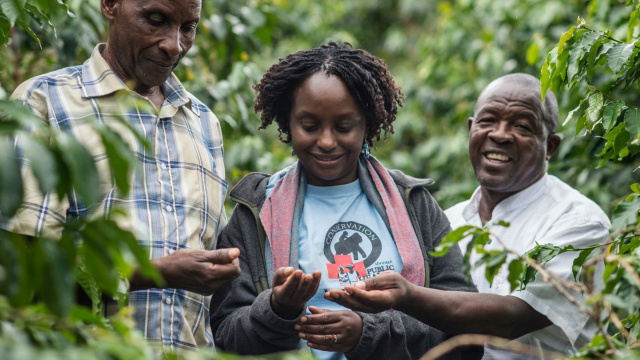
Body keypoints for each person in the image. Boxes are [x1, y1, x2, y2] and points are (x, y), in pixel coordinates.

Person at [209, 41, 481, 360]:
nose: (326, 141)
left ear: (367, 124)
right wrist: (276, 309)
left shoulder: (415, 204)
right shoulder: (256, 211)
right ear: (287, 122)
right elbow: (226, 336)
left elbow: (466, 329)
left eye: (343, 126)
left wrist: (367, 334)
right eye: (309, 126)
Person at [1, 0, 241, 352]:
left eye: (188, 27)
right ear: (110, 5)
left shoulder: (204, 123)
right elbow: (24, 268)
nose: (174, 44)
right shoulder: (45, 102)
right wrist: (153, 273)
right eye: (155, 20)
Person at [325, 73, 611, 359]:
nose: (499, 135)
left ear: (550, 146)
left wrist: (407, 296)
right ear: (471, 129)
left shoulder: (580, 223)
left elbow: (513, 318)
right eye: (488, 121)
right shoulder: (448, 222)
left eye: (522, 126)